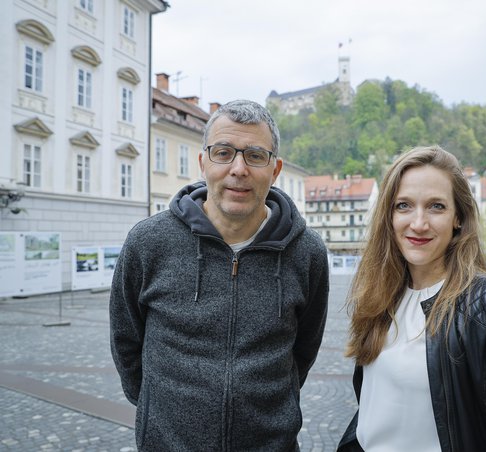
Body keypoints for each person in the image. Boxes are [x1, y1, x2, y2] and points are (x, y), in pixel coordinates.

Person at [109, 100, 329, 451]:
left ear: (275, 169)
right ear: (203, 163)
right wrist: (162, 412)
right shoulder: (148, 242)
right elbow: (127, 342)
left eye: (255, 155)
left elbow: (304, 349)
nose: (238, 169)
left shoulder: (307, 252)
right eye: (223, 153)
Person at [338, 146, 486, 451]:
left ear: (458, 217)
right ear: (389, 216)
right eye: (404, 205)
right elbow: (375, 407)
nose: (418, 223)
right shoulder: (380, 298)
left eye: (436, 207)